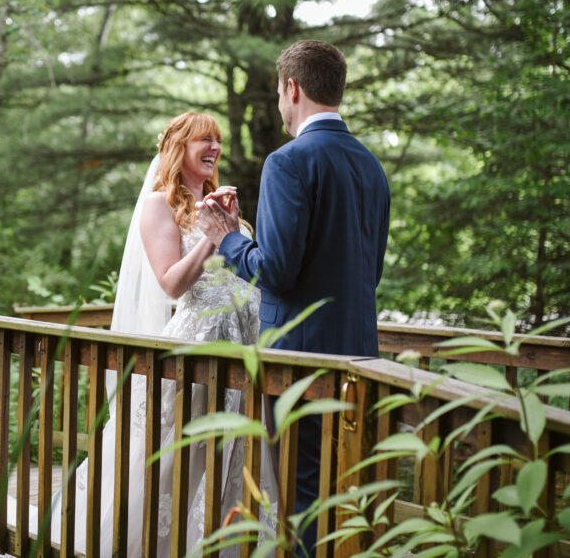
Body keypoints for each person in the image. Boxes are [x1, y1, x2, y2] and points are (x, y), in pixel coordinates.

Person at [198, 40, 391, 556]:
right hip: (359, 357)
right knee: (345, 493)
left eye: (279, 93)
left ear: (293, 88)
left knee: (304, 493)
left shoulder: (288, 161)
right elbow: (368, 273)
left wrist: (228, 239)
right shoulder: (371, 166)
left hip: (297, 359)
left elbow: (276, 272)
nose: (280, 105)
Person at [52, 112, 270, 556]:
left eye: (218, 140)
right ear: (178, 148)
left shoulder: (221, 204)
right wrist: (214, 236)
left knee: (228, 462)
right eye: (203, 140)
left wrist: (230, 227)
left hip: (243, 354)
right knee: (174, 463)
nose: (214, 148)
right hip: (193, 356)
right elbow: (171, 282)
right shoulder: (158, 205)